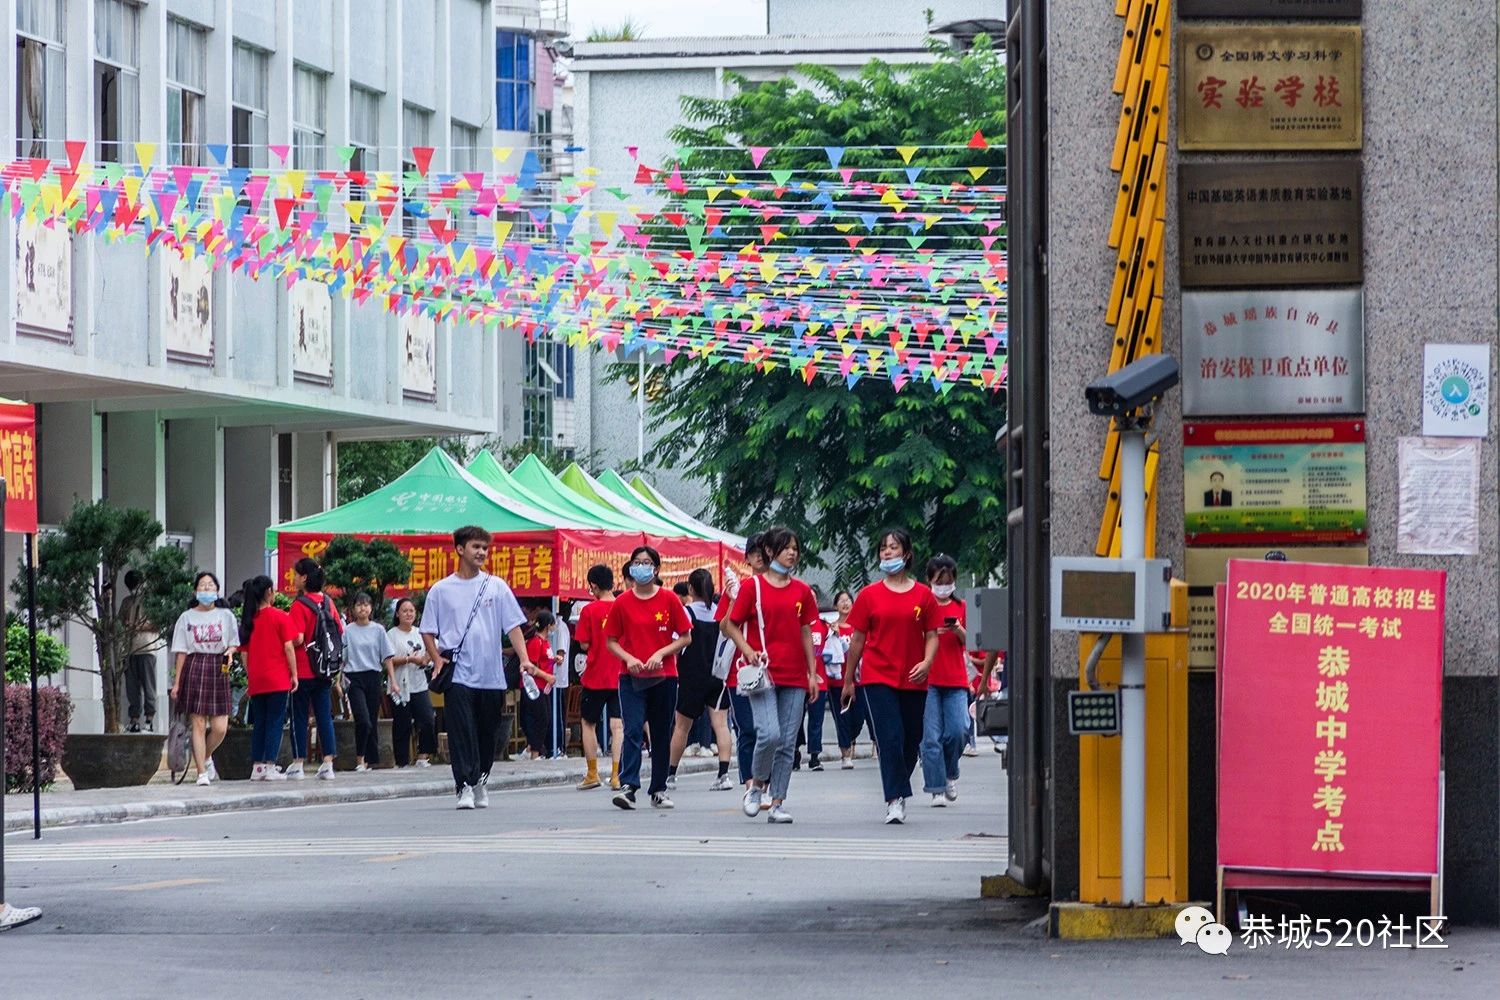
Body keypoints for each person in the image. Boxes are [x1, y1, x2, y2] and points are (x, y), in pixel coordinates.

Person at [420, 525, 536, 810]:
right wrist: (436, 658)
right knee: (462, 732)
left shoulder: (496, 586)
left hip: (491, 676)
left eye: (485, 548)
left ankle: (481, 778)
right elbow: (427, 631)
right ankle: (464, 787)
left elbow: (513, 626)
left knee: (487, 733)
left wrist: (524, 659)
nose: (482, 552)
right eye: (476, 547)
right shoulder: (441, 590)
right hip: (458, 674)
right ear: (460, 549)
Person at [840, 529, 940, 824]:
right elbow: (857, 639)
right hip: (876, 676)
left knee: (912, 739)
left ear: (906, 554)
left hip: (914, 676)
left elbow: (932, 635)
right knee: (890, 736)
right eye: (883, 548)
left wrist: (927, 661)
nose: (887, 553)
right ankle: (895, 799)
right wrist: (849, 680)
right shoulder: (869, 595)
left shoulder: (924, 594)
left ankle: (898, 786)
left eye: (893, 548)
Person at [723, 527, 819, 824]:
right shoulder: (752, 587)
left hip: (795, 676)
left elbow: (806, 632)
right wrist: (748, 650)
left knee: (788, 742)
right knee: (769, 733)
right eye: (786, 547)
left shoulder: (803, 591)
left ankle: (777, 802)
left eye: (795, 548)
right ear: (769, 551)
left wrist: (812, 673)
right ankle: (755, 787)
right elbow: (730, 625)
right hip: (762, 673)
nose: (792, 553)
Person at [604, 545, 692, 811]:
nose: (641, 567)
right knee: (631, 730)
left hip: (664, 677)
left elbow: (686, 636)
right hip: (630, 677)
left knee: (661, 732)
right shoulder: (621, 602)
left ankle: (659, 789)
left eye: (646, 562)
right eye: (636, 562)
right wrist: (628, 658)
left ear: (656, 569)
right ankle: (629, 786)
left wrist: (661, 653)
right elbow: (611, 640)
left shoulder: (669, 600)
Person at [669, 568, 736, 792]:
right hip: (718, 675)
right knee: (721, 725)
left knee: (681, 728)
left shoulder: (687, 613)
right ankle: (724, 774)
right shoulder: (720, 613)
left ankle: (670, 775)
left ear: (690, 589)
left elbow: (676, 644)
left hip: (691, 677)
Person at [169, 572, 239, 785]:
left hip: (219, 667)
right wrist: (177, 683)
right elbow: (181, 651)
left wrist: (230, 651)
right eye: (202, 586)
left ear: (217, 591)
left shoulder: (226, 616)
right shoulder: (186, 617)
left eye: (211, 586)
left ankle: (206, 756)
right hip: (195, 666)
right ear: (195, 591)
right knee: (198, 723)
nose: (207, 590)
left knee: (220, 727)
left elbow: (234, 642)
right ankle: (201, 773)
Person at [920, 555, 969, 807]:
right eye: (939, 580)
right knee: (931, 737)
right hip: (927, 680)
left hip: (956, 679)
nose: (944, 585)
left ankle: (951, 772)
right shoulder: (921, 605)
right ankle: (936, 787)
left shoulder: (962, 606)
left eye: (948, 580)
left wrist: (957, 629)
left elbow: (972, 642)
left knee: (958, 730)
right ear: (930, 580)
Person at [286, 557, 342, 780]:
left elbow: (297, 638)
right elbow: (339, 629)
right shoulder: (328, 602)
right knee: (323, 715)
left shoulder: (299, 605)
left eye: (296, 574)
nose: (294, 578)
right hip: (325, 668)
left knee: (299, 716)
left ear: (304, 578)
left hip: (302, 669)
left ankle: (298, 763)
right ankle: (328, 763)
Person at [239, 575, 297, 781]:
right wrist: (294, 674)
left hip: (257, 679)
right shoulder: (280, 616)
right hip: (278, 678)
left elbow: (244, 654)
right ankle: (271, 765)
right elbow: (289, 647)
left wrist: (251, 674)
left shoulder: (248, 621)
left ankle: (257, 767)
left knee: (260, 723)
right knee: (275, 721)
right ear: (270, 592)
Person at [573, 565, 625, 791]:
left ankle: (592, 772)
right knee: (618, 726)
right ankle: (616, 775)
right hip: (621, 674)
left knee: (588, 722)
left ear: (593, 584)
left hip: (595, 675)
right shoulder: (624, 607)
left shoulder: (589, 611)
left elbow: (583, 643)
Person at [724, 533, 766, 792]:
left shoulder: (783, 587)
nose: (759, 555)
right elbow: (725, 627)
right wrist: (731, 600)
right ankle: (752, 785)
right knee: (748, 729)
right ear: (747, 557)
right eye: (754, 551)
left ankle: (767, 781)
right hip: (742, 672)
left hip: (775, 670)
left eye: (764, 549)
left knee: (770, 732)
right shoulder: (741, 588)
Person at [342, 592, 395, 771]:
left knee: (371, 719)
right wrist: (338, 681)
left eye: (366, 605)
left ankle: (371, 760)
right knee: (362, 719)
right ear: (353, 608)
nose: (362, 608)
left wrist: (392, 680)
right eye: (359, 605)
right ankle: (360, 759)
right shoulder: (348, 630)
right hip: (354, 677)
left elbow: (387, 656)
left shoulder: (378, 630)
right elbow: (342, 658)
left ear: (371, 608)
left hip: (373, 676)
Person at [387, 597, 437, 768]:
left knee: (428, 719)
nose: (408, 614)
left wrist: (427, 658)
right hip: (399, 685)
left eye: (411, 611)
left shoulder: (421, 633)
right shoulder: (391, 634)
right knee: (402, 724)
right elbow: (388, 660)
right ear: (397, 614)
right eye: (404, 611)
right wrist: (409, 659)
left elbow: (435, 648)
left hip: (419, 683)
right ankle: (401, 761)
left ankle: (423, 756)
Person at [829, 589, 867, 769]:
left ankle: (851, 739)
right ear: (835, 605)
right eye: (841, 601)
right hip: (838, 680)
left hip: (859, 679)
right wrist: (832, 634)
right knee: (842, 717)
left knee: (859, 718)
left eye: (848, 600)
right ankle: (845, 754)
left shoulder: (858, 627)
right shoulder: (831, 627)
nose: (845, 603)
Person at [119, 570, 158, 733]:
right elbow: (120, 622)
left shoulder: (151, 601)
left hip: (147, 647)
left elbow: (157, 624)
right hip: (129, 649)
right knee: (132, 688)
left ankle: (149, 720)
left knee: (149, 686)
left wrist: (136, 626)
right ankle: (134, 720)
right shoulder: (126, 602)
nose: (134, 589)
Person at [517, 612, 559, 759]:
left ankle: (533, 750)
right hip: (534, 687)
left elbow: (544, 661)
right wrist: (547, 676)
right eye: (553, 624)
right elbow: (532, 667)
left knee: (545, 718)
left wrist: (554, 661)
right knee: (539, 718)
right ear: (548, 625)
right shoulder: (535, 642)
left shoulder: (546, 643)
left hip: (544, 687)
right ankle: (534, 752)